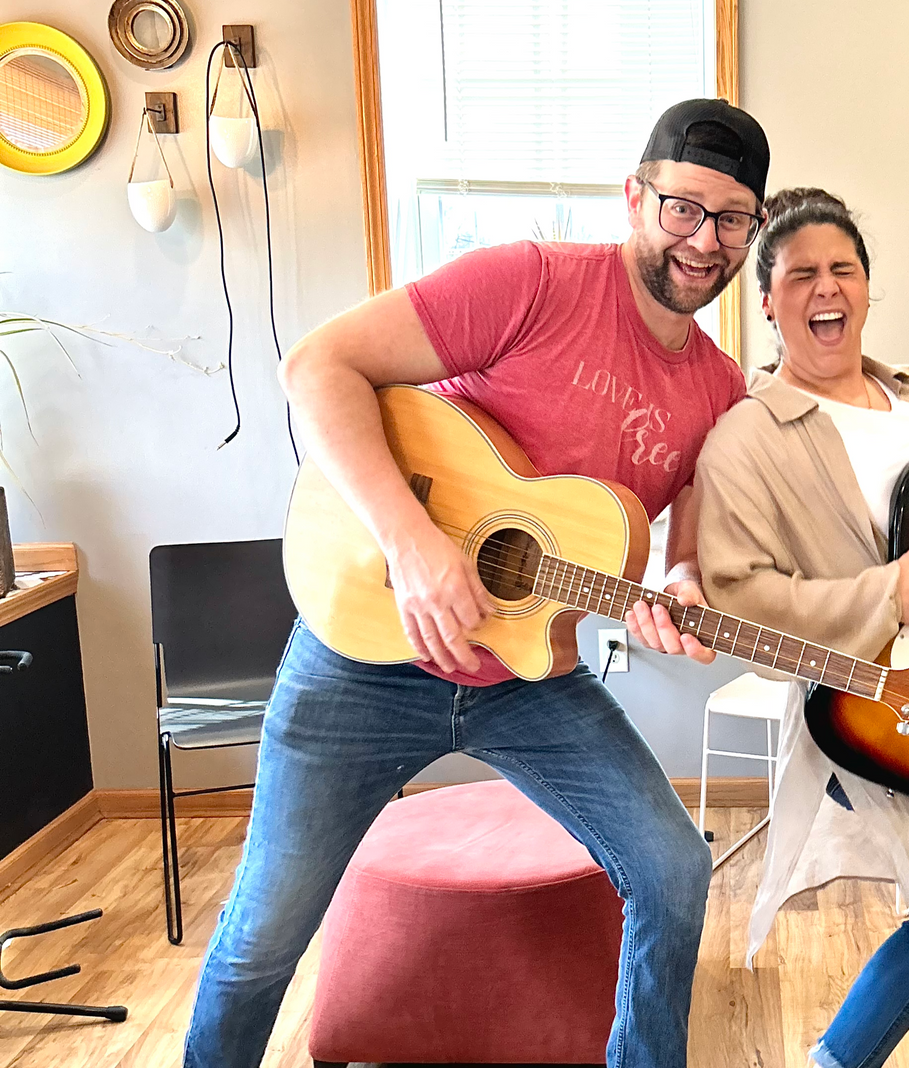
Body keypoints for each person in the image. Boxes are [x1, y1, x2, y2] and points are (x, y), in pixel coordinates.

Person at [182, 98, 769, 1068]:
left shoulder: (718, 390)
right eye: (682, 207)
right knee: (262, 937)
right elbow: (317, 365)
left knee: (672, 869)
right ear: (635, 195)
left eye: (732, 218)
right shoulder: (530, 281)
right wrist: (410, 540)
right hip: (361, 659)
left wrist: (684, 589)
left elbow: (680, 558)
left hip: (529, 678)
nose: (704, 241)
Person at [636, 187, 909, 1067]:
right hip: (874, 710)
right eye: (799, 273)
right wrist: (893, 599)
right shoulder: (749, 436)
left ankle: (834, 1059)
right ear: (766, 299)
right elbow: (737, 596)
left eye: (842, 268)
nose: (824, 287)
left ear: (868, 289)